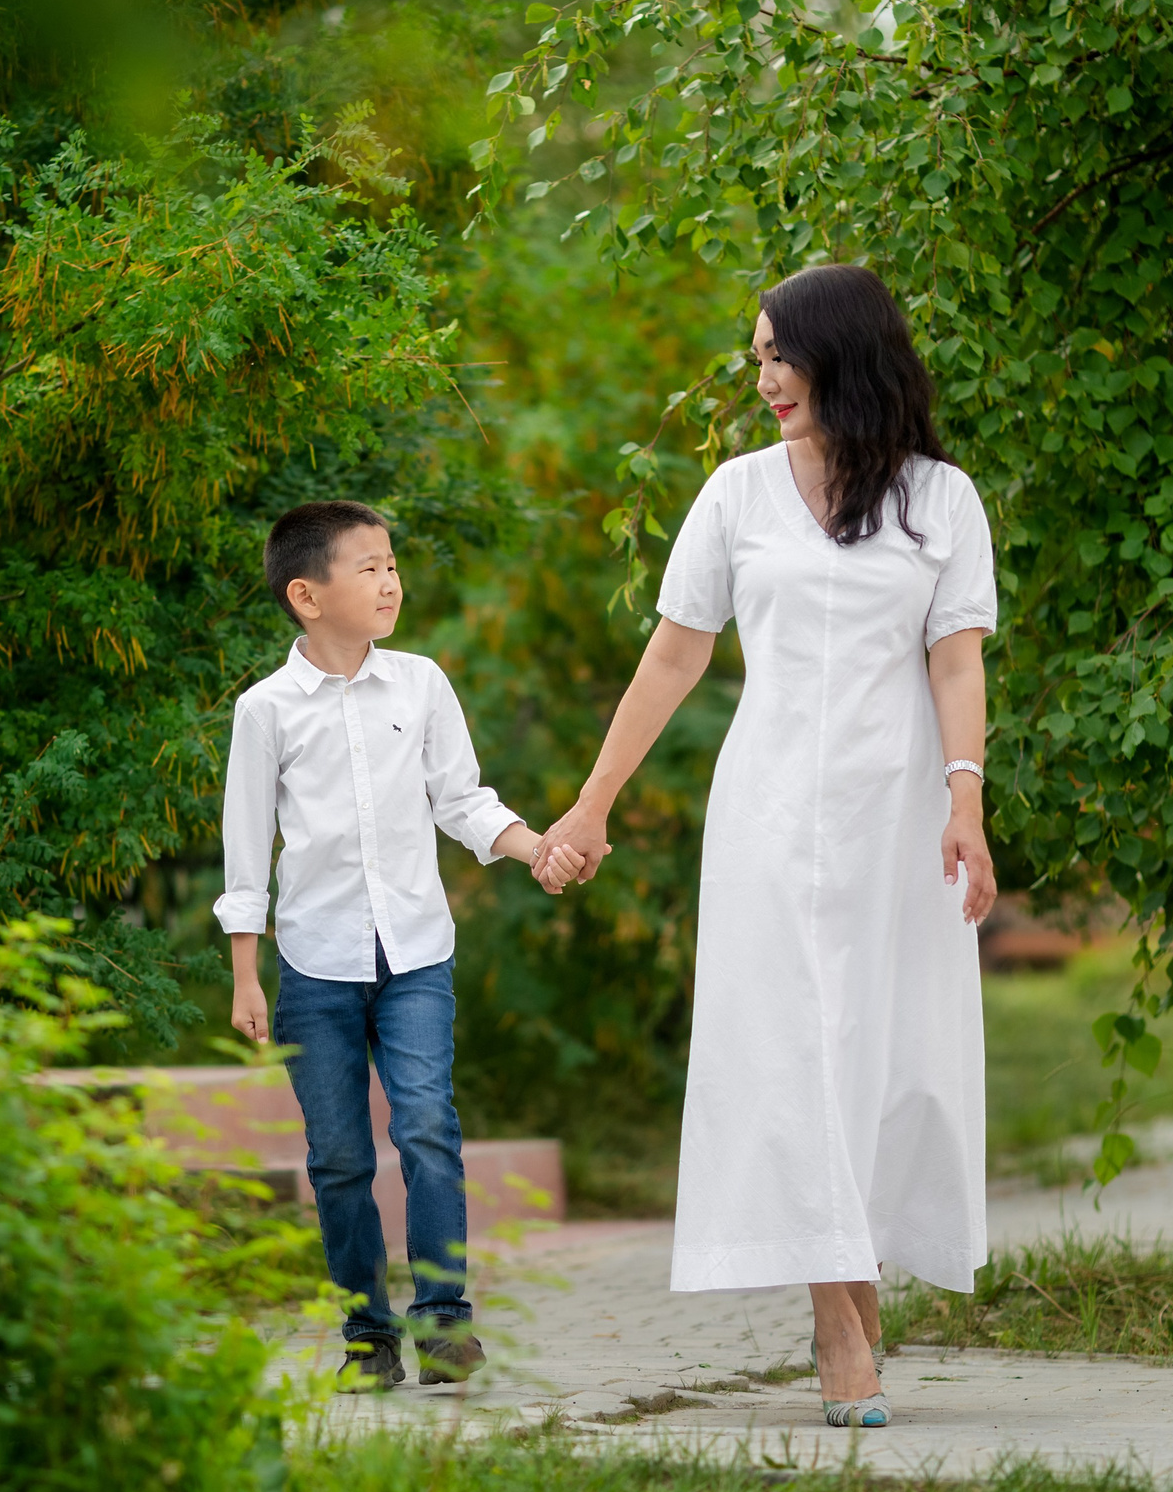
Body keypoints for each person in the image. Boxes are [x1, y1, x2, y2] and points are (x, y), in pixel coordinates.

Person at [537, 263, 999, 1428]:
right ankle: (842, 1334)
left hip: (898, 820)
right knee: (794, 1054)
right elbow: (674, 658)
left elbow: (955, 661)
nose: (763, 381)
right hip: (770, 815)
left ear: (842, 355)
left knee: (883, 1062)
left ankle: (854, 1298)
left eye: (777, 358)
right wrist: (589, 806)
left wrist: (967, 802)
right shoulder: (734, 496)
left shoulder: (941, 500)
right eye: (754, 359)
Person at [216, 499, 579, 1389]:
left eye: (391, 564)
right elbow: (244, 846)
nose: (390, 580)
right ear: (307, 593)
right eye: (369, 566)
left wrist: (535, 847)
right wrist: (245, 976)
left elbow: (461, 799)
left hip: (416, 950)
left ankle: (446, 1325)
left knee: (427, 1129)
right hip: (312, 964)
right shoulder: (265, 710)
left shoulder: (421, 684)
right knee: (338, 1156)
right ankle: (366, 1335)